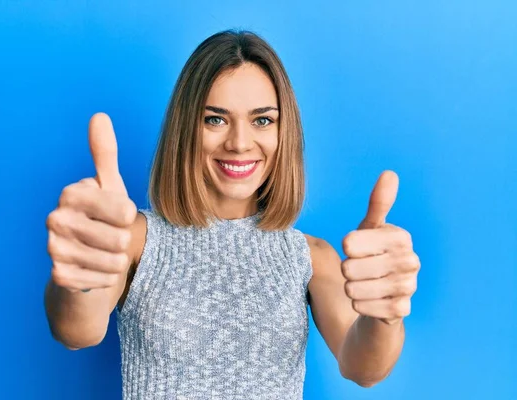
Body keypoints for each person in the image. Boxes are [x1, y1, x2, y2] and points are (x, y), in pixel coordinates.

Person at [43, 29, 420, 399]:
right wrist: (81, 278)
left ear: (282, 131)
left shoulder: (311, 257)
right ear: (186, 128)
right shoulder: (134, 239)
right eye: (215, 119)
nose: (240, 143)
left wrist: (385, 316)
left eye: (262, 120)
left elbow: (364, 368)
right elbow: (77, 330)